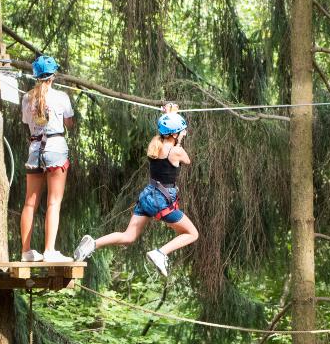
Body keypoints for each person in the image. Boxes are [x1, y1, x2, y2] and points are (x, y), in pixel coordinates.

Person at [74, 104, 198, 277]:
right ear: (175, 134)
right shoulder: (177, 151)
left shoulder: (155, 144)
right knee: (192, 233)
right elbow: (188, 161)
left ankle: (93, 244)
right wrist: (173, 118)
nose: (185, 133)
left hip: (148, 196)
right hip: (162, 201)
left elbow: (165, 134)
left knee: (129, 236)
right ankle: (160, 253)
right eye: (182, 131)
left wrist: (171, 116)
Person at [20, 54, 74, 263]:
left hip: (35, 148)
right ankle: (49, 250)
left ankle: (26, 251)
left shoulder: (27, 97)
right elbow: (69, 123)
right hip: (55, 147)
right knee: (53, 202)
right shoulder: (61, 97)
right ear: (53, 76)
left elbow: (27, 122)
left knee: (30, 203)